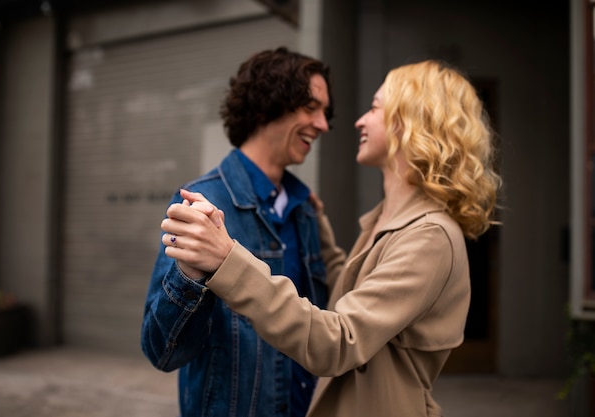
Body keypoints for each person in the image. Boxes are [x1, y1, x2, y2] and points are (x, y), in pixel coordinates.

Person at [160, 60, 502, 417]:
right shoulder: (391, 219)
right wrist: (319, 228)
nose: (358, 121)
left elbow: (339, 341)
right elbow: (356, 292)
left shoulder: (428, 236)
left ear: (411, 123)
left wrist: (227, 259)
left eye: (374, 108)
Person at [140, 47, 334, 417]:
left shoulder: (305, 209)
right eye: (311, 107)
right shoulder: (202, 203)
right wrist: (190, 276)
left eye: (325, 112)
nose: (323, 124)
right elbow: (161, 351)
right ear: (265, 106)